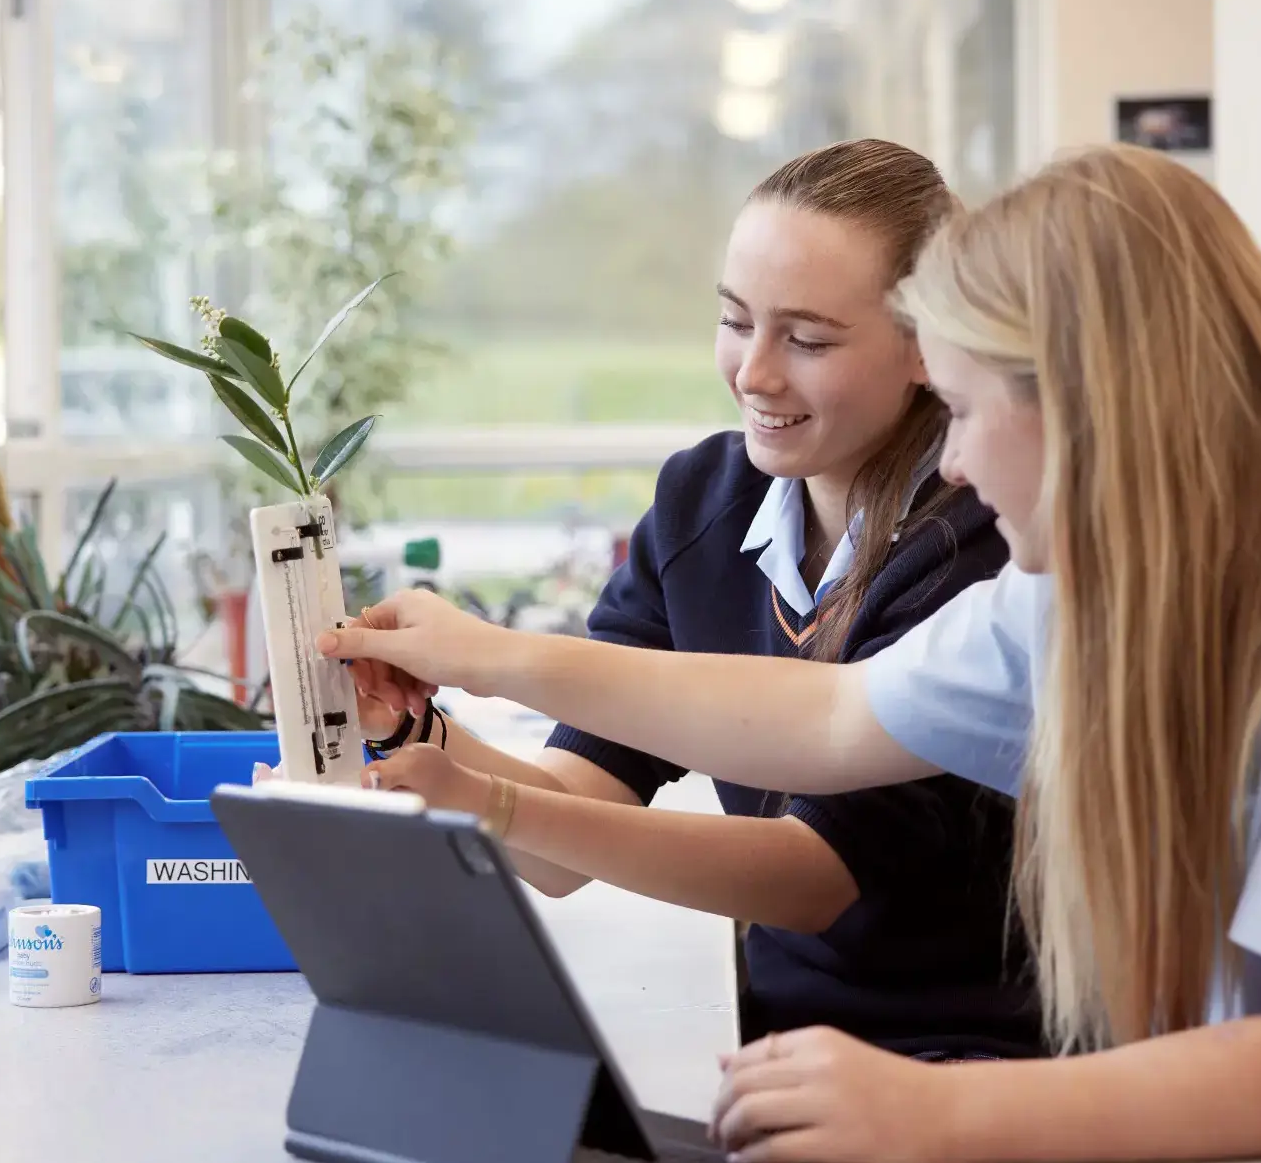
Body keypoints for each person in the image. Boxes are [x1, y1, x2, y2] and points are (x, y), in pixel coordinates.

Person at [325, 144, 1261, 1159]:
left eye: (965, 409)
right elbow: (826, 720)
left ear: (1090, 405)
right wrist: (494, 672)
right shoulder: (1093, 591)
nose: (955, 458)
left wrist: (932, 1105)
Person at [342, 139, 1041, 1062]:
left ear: (925, 346)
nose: (755, 373)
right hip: (778, 1045)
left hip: (965, 1061)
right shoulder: (703, 504)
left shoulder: (984, 543)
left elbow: (813, 877)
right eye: (734, 321)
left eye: (808, 338)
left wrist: (490, 706)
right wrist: (412, 738)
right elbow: (561, 844)